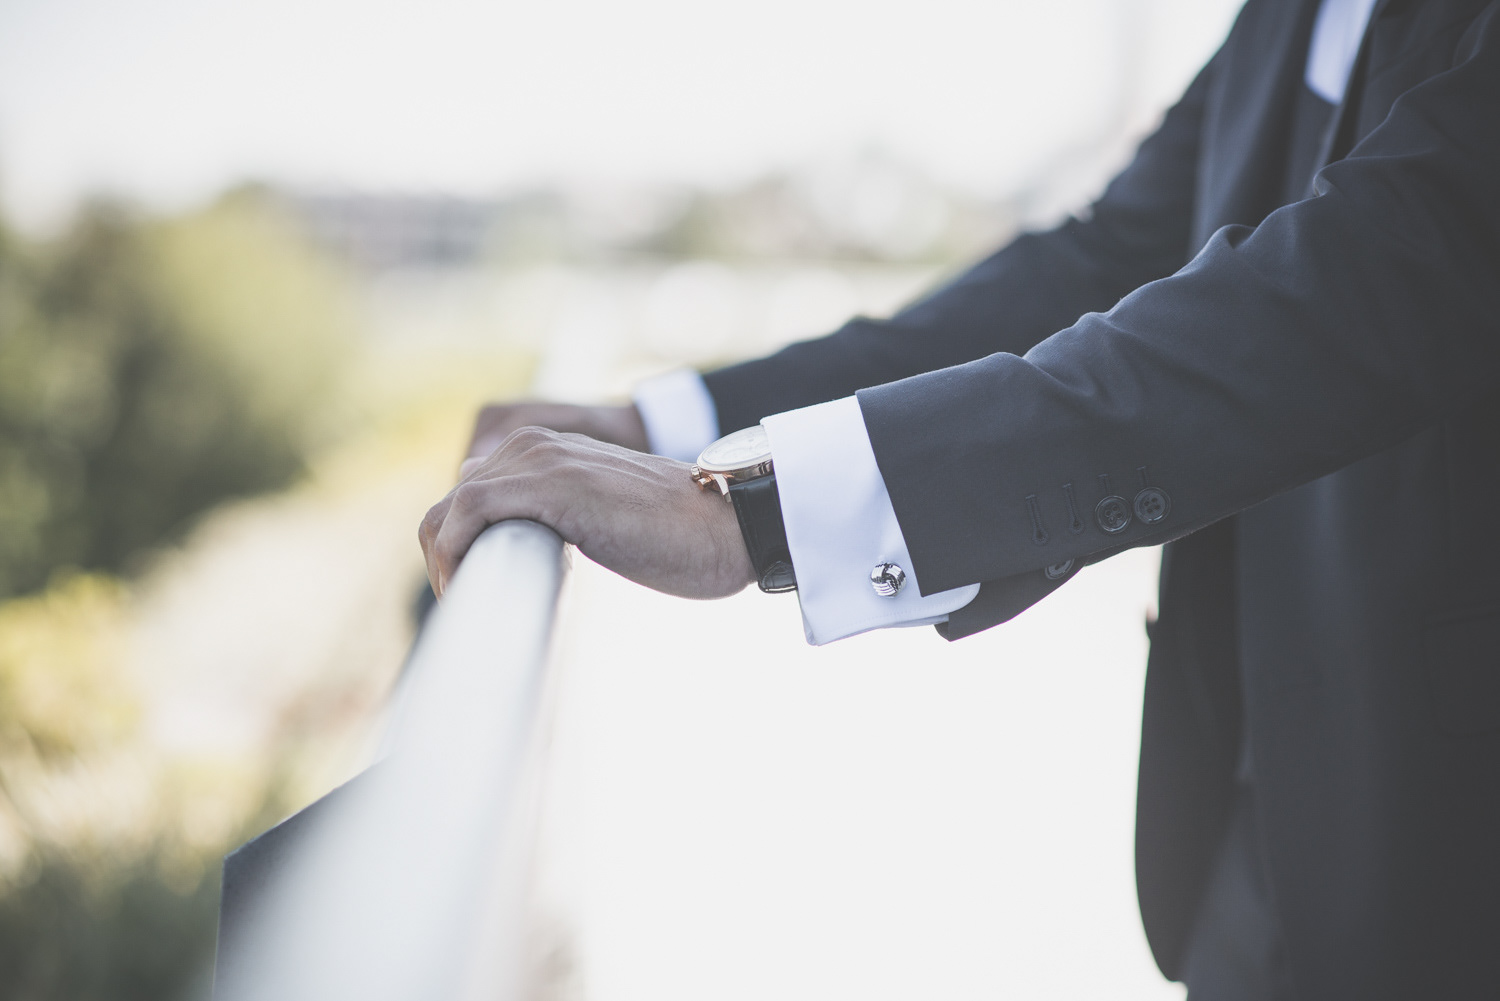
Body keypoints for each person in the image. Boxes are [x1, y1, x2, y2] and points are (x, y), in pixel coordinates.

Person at [419, 0, 1500, 996]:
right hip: (1248, 837)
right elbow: (1099, 265)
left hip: (1448, 853)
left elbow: (1358, 288)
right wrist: (666, 425)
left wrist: (754, 509)